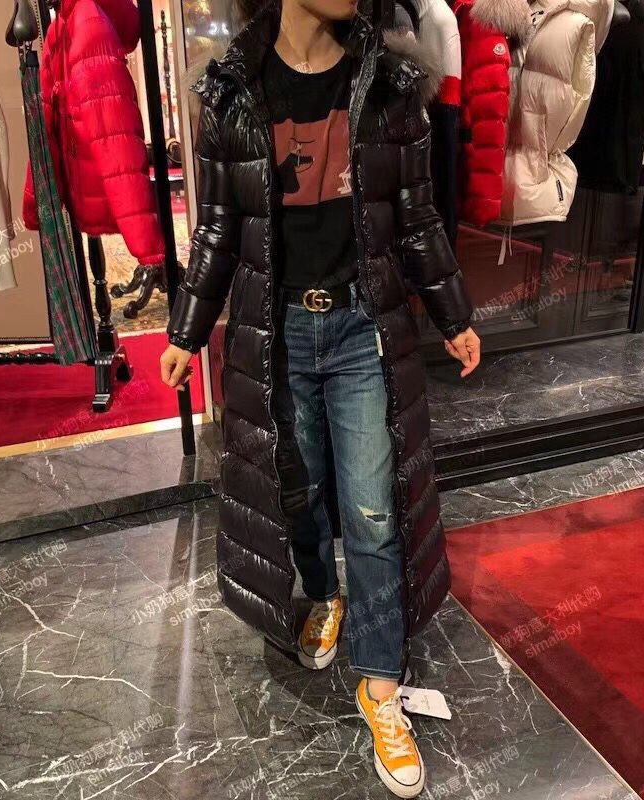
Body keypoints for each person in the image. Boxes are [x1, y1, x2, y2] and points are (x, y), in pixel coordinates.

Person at [160, 0, 480, 795]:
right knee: (295, 494)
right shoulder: (232, 92)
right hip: (276, 336)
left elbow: (415, 218)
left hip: (361, 329)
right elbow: (217, 229)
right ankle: (324, 594)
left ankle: (380, 685)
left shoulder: (389, 86)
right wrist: (186, 330)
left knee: (373, 510)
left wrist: (454, 314)